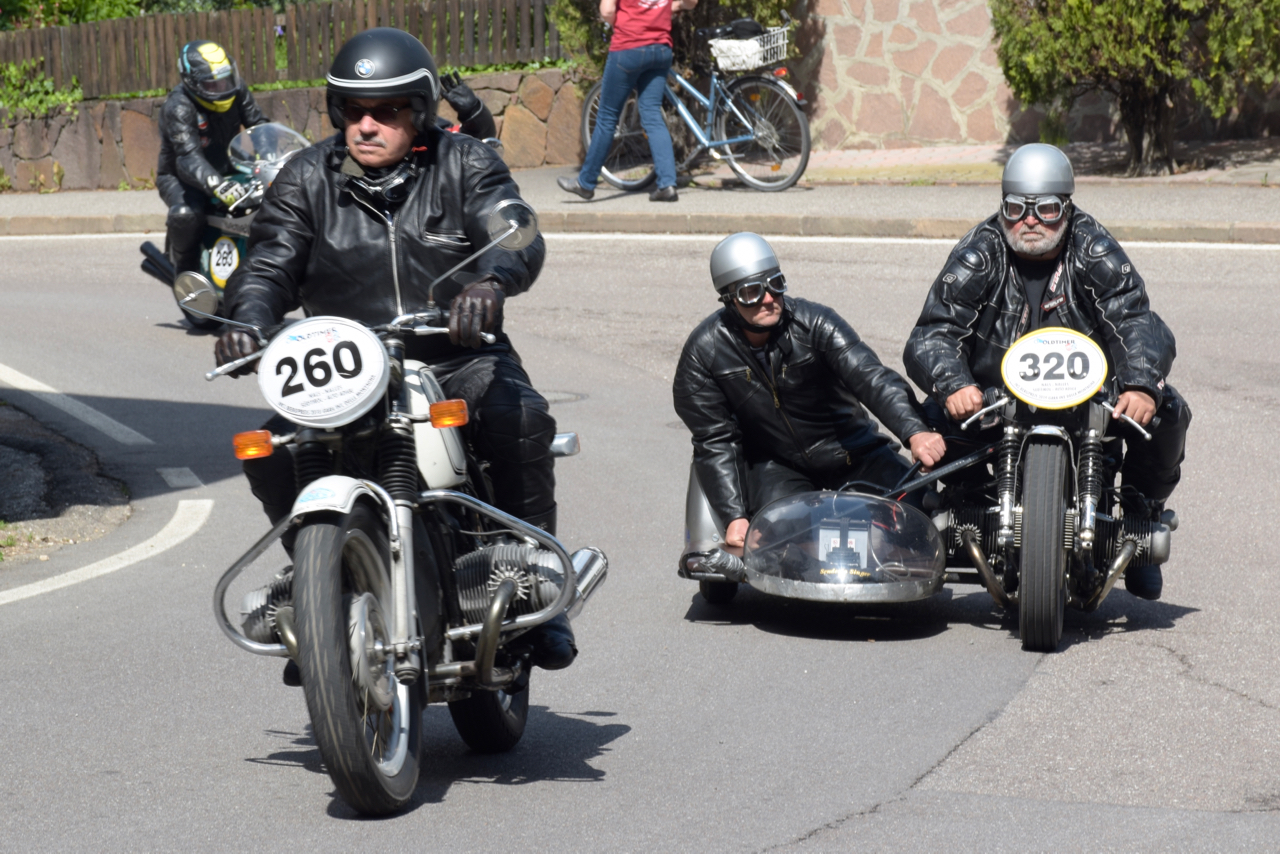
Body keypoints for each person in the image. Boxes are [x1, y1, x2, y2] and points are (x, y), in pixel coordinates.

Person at [213, 27, 575, 672]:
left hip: (453, 354)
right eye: (354, 111)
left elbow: (512, 229)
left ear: (419, 109)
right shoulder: (305, 178)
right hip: (346, 369)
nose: (368, 125)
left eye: (387, 111)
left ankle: (536, 577)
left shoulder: (463, 164)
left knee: (515, 417)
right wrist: (246, 314)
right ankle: (327, 588)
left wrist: (491, 283)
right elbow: (269, 263)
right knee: (269, 451)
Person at [903, 143, 1191, 601]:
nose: (1029, 220)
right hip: (996, 402)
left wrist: (1139, 384)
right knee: (924, 420)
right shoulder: (981, 253)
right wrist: (955, 383)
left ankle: (1140, 517)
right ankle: (926, 529)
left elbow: (1137, 319)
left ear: (1067, 207)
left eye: (1046, 208)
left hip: (1087, 400)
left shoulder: (1092, 247)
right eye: (1016, 207)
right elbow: (933, 332)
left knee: (1169, 410)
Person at [672, 232, 947, 549]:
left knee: (920, 510)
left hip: (854, 453)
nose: (767, 298)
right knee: (775, 536)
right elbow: (715, 439)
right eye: (751, 292)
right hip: (776, 466)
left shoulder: (816, 324)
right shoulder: (703, 353)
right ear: (729, 299)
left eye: (775, 284)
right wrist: (733, 516)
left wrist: (915, 432)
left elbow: (871, 377)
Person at [557, 0, 697, 203]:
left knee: (607, 117)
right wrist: (665, 9)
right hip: (660, 49)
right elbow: (691, 2)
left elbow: (607, 10)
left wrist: (619, 23)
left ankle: (585, 183)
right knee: (652, 115)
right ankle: (667, 185)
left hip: (628, 47)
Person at [157, 40, 267, 276]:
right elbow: (187, 158)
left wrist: (272, 160)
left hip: (230, 165)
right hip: (180, 177)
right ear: (192, 82)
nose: (222, 88)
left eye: (225, 80)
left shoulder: (236, 88)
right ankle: (185, 273)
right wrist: (218, 185)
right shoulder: (178, 107)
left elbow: (258, 126)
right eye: (212, 84)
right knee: (187, 214)